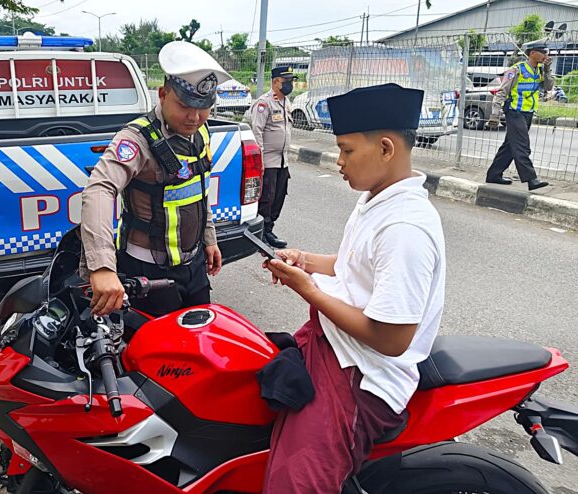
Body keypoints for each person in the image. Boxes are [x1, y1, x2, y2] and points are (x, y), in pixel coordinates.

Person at [261, 83, 446, 493]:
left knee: (294, 482)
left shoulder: (404, 228)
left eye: (346, 150)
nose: (338, 161)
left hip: (362, 375)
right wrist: (306, 261)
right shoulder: (377, 198)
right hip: (336, 346)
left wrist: (309, 290)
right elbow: (354, 267)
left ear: (385, 149)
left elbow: (391, 338)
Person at [81, 41, 231, 317]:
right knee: (156, 354)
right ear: (162, 94)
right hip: (149, 275)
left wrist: (209, 239)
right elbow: (99, 189)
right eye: (185, 106)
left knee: (199, 340)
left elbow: (199, 190)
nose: (195, 117)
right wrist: (102, 267)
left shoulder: (201, 131)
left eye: (204, 107)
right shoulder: (136, 139)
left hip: (194, 265)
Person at [485, 40, 553, 191]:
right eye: (543, 52)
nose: (546, 55)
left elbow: (549, 87)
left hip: (528, 112)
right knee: (522, 145)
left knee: (510, 145)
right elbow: (501, 91)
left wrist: (548, 70)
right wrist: (495, 114)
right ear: (532, 53)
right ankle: (531, 179)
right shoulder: (516, 70)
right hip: (514, 111)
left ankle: (494, 175)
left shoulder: (540, 71)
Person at [250, 66, 298, 248]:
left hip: (282, 160)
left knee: (279, 196)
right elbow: (257, 132)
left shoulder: (286, 102)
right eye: (287, 81)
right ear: (276, 81)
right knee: (266, 198)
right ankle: (262, 232)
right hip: (268, 161)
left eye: (291, 81)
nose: (290, 84)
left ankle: (269, 228)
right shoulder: (264, 103)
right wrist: (259, 161)